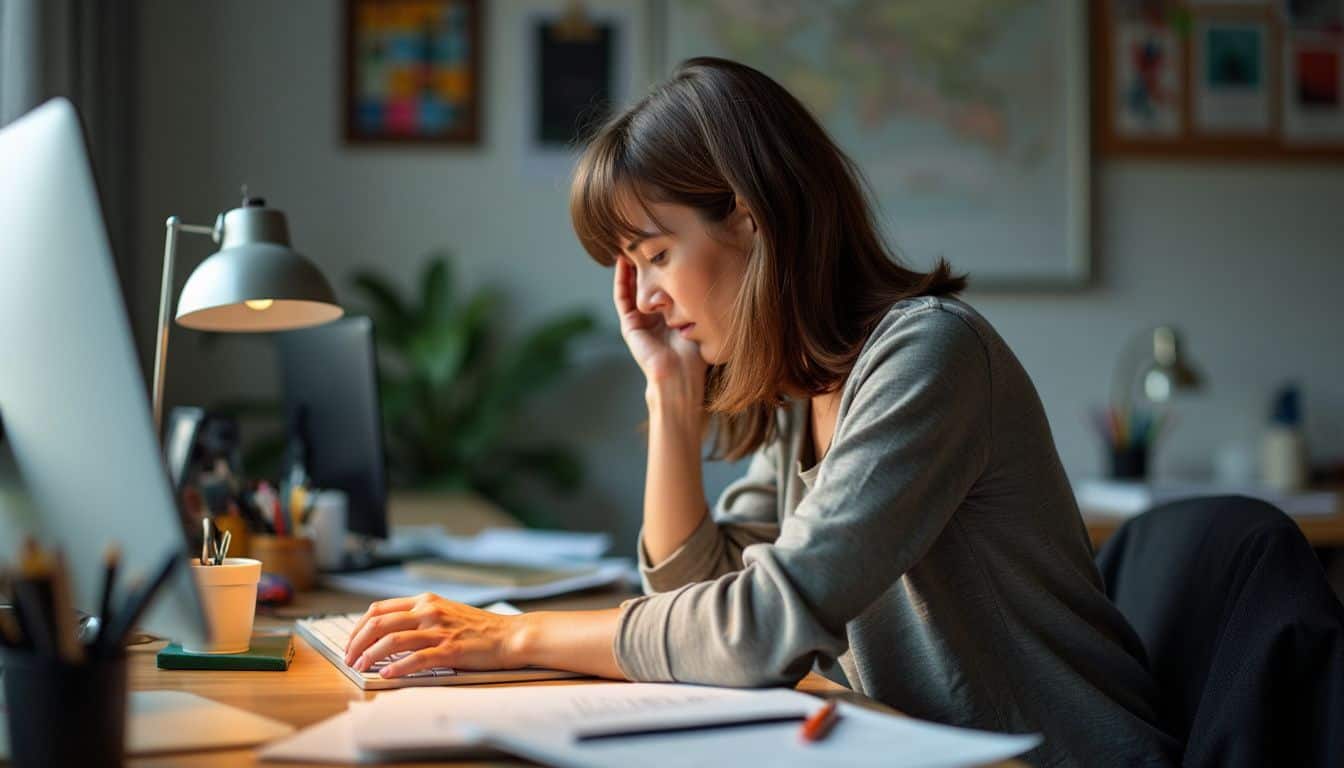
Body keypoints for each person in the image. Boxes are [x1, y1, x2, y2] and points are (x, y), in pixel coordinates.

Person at [343, 58, 1179, 766]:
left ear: (749, 216)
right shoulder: (801, 390)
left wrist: (511, 637)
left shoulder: (929, 356)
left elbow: (759, 630)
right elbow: (700, 602)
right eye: (631, 266)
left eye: (658, 255)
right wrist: (671, 396)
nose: (647, 296)